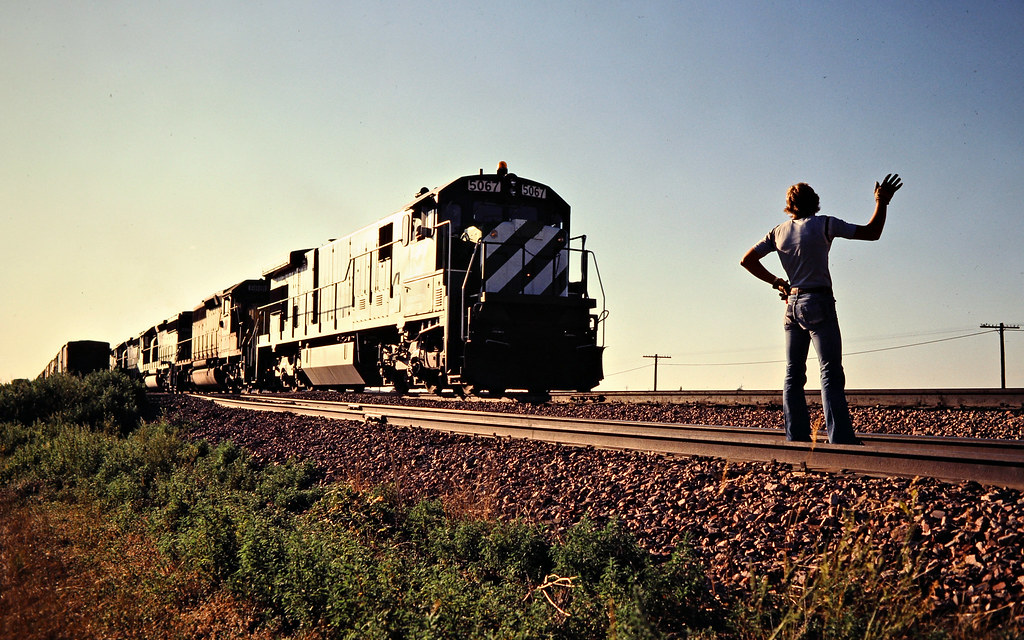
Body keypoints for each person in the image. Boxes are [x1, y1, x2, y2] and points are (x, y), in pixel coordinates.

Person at [740, 174, 903, 444]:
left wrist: (777, 282)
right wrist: (881, 202)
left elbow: (747, 260)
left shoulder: (777, 232)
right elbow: (872, 233)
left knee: (793, 371)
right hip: (818, 301)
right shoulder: (825, 224)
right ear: (815, 203)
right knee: (829, 370)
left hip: (792, 304)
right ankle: (839, 436)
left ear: (789, 206)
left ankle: (796, 437)